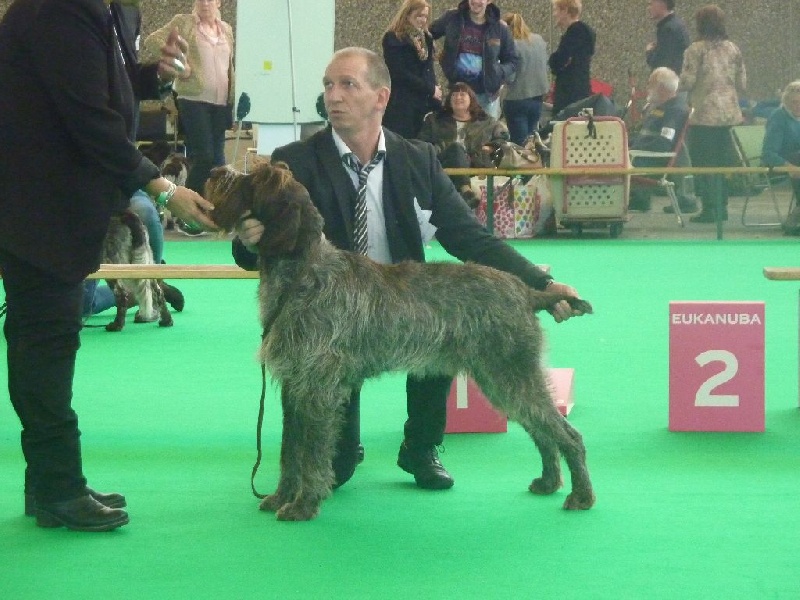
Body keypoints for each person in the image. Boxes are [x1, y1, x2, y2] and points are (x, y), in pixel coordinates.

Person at [231, 47, 585, 493]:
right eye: (327, 85)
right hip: (332, 312)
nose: (332, 97)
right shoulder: (296, 161)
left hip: (402, 296)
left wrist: (542, 283)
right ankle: (336, 453)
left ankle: (421, 447)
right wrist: (249, 240)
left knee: (441, 321)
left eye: (347, 85)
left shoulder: (417, 159)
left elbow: (469, 237)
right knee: (329, 445)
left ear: (381, 97)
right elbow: (257, 252)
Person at [0, 0, 217, 532]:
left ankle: (51, 481)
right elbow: (87, 116)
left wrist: (154, 76)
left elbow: (107, 88)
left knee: (47, 338)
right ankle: (59, 489)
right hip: (34, 203)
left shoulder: (115, 9)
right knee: (45, 341)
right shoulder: (53, 11)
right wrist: (162, 189)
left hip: (66, 205)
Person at [144, 0, 234, 198]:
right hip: (193, 99)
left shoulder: (226, 29)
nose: (204, 3)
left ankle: (213, 206)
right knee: (204, 156)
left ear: (218, 3)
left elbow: (229, 66)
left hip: (221, 102)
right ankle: (188, 205)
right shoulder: (184, 22)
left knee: (218, 159)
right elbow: (152, 40)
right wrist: (180, 66)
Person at [679, 4, 746, 223]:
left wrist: (674, 84)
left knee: (704, 163)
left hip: (704, 114)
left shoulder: (695, 50)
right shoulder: (733, 49)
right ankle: (722, 206)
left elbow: (688, 81)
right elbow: (742, 82)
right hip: (728, 114)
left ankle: (710, 208)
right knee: (722, 162)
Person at [418, 82, 509, 208]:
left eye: (462, 94)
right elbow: (422, 144)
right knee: (456, 148)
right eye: (454, 95)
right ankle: (465, 190)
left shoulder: (487, 122)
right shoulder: (435, 120)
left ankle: (464, 193)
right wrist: (437, 148)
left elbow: (503, 139)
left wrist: (491, 146)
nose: (458, 97)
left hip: (476, 166)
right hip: (443, 166)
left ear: (471, 99)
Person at [430, 0, 518, 119]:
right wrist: (432, 54)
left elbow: (512, 60)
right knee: (457, 135)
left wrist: (498, 72)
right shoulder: (452, 18)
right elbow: (428, 35)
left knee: (485, 135)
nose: (476, 1)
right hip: (457, 92)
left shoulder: (500, 28)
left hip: (486, 96)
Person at [628, 67, 696, 213]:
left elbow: (664, 143)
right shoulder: (660, 107)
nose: (647, 88)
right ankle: (639, 198)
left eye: (649, 84)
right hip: (641, 155)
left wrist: (633, 150)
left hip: (649, 158)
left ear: (661, 88)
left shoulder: (674, 110)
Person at [381, 0, 442, 139]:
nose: (423, 20)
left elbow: (428, 68)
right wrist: (430, 89)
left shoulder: (426, 38)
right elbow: (399, 73)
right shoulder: (394, 38)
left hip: (424, 101)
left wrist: (435, 90)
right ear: (407, 15)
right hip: (403, 101)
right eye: (419, 16)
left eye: (426, 16)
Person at [501, 12, 549, 145]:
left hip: (516, 99)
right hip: (537, 98)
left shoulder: (511, 46)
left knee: (520, 144)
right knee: (532, 141)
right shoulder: (539, 40)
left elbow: (510, 77)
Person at [761, 81, 800, 235]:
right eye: (795, 102)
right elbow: (768, 153)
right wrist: (788, 166)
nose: (798, 105)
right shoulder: (779, 117)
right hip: (778, 167)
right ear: (786, 102)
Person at [548, 0, 596, 118]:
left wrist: (553, 61)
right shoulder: (587, 32)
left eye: (556, 10)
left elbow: (559, 60)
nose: (554, 14)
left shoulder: (574, 32)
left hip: (568, 93)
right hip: (582, 89)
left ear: (565, 10)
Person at [645, 0, 690, 75]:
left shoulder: (668, 29)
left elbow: (661, 63)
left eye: (651, 4)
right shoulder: (676, 25)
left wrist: (649, 52)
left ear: (662, 4)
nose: (648, 8)